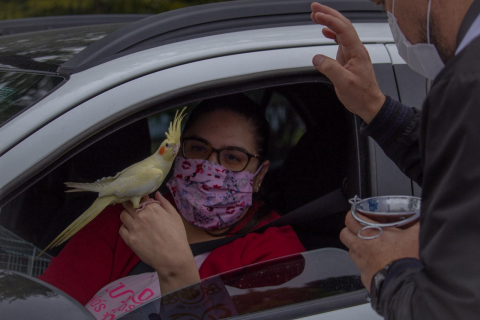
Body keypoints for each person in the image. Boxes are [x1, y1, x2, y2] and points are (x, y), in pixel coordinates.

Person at [38, 94, 305, 318]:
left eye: (232, 157)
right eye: (198, 149)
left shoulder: (277, 253)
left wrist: (176, 270)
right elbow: (48, 308)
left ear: (259, 174)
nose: (210, 167)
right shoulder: (127, 217)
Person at [310, 0, 480, 318]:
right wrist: (375, 107)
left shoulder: (467, 84)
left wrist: (388, 270)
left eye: (385, 3)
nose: (391, 18)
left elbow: (450, 310)